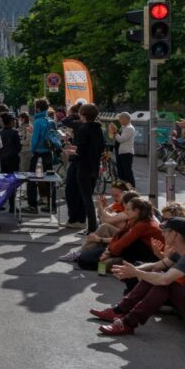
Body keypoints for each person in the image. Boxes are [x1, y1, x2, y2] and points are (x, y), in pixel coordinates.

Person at [89, 217, 185, 336]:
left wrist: (136, 272)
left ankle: (126, 321)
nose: (162, 233)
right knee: (156, 277)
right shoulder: (179, 252)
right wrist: (133, 270)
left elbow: (165, 280)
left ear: (174, 234)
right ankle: (120, 312)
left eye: (165, 231)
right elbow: (156, 265)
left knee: (164, 284)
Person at [76, 197, 163, 284]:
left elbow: (124, 242)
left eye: (128, 209)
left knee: (93, 262)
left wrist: (108, 252)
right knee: (89, 256)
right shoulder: (136, 220)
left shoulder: (144, 224)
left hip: (148, 258)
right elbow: (120, 236)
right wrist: (108, 250)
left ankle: (128, 269)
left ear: (136, 211)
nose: (125, 211)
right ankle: (82, 252)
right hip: (129, 253)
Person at [59, 187, 136, 263]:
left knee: (104, 228)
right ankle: (80, 253)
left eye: (117, 196)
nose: (114, 198)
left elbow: (106, 220)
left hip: (125, 245)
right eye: (112, 195)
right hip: (120, 238)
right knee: (103, 229)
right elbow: (103, 218)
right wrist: (103, 207)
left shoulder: (127, 214)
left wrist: (99, 239)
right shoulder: (121, 207)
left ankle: (79, 252)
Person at [66, 103, 105, 233]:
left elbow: (80, 151)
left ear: (83, 115)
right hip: (94, 166)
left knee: (86, 197)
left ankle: (92, 227)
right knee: (88, 196)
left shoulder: (83, 129)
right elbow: (99, 148)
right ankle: (91, 225)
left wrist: (71, 151)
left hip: (83, 167)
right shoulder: (98, 128)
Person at [27, 98, 53, 211]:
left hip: (38, 154)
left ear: (37, 108)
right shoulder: (50, 120)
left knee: (32, 179)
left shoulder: (37, 121)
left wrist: (32, 151)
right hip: (49, 153)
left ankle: (32, 205)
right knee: (50, 180)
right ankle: (51, 205)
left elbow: (35, 140)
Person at [0, 113, 21, 213]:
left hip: (3, 160)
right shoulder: (14, 133)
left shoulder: (0, 132)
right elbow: (18, 147)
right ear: (11, 122)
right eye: (13, 121)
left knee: (3, 182)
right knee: (12, 183)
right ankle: (12, 206)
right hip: (13, 160)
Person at [109, 112, 136, 187]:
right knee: (121, 172)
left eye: (120, 119)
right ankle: (123, 188)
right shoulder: (124, 127)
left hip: (126, 152)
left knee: (127, 171)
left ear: (125, 119)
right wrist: (114, 131)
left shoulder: (129, 128)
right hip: (121, 152)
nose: (119, 121)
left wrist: (114, 131)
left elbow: (121, 139)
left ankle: (132, 188)